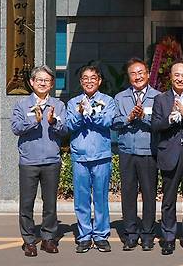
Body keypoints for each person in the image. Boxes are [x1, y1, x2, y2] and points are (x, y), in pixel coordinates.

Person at [11, 65, 67, 257]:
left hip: (51, 160)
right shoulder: (22, 104)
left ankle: (48, 238)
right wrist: (34, 121)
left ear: (51, 84)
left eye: (47, 80)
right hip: (29, 161)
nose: (43, 83)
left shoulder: (58, 105)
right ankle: (28, 240)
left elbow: (64, 130)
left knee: (50, 203)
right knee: (26, 203)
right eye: (39, 80)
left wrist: (53, 122)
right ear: (32, 82)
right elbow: (16, 128)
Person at [151, 61, 183, 255]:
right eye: (176, 75)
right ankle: (168, 238)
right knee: (168, 200)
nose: (180, 78)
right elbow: (155, 126)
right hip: (169, 154)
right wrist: (169, 120)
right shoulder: (161, 99)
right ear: (170, 77)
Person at [111, 58, 161, 251]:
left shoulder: (158, 97)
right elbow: (114, 123)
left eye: (141, 72)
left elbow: (161, 123)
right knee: (128, 194)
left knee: (149, 194)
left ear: (148, 74)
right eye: (133, 73)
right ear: (129, 76)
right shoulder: (120, 97)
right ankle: (131, 233)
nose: (138, 76)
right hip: (127, 152)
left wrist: (144, 117)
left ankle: (148, 234)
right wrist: (129, 117)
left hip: (148, 151)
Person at [66, 65, 116, 253]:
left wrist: (92, 113)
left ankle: (101, 235)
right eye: (85, 78)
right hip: (80, 156)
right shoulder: (73, 103)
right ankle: (85, 235)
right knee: (81, 199)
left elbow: (107, 122)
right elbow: (70, 125)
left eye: (93, 78)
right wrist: (80, 112)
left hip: (101, 156)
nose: (89, 81)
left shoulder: (108, 101)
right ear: (80, 82)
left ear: (99, 80)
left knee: (101, 198)